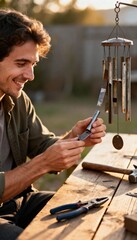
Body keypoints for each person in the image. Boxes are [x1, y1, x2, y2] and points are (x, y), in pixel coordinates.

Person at [0, 8, 106, 240]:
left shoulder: (17, 100)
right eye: (21, 63)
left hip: (19, 200)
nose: (30, 75)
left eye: (33, 65)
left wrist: (75, 138)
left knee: (89, 217)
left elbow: (41, 145)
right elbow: (43, 159)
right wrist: (42, 165)